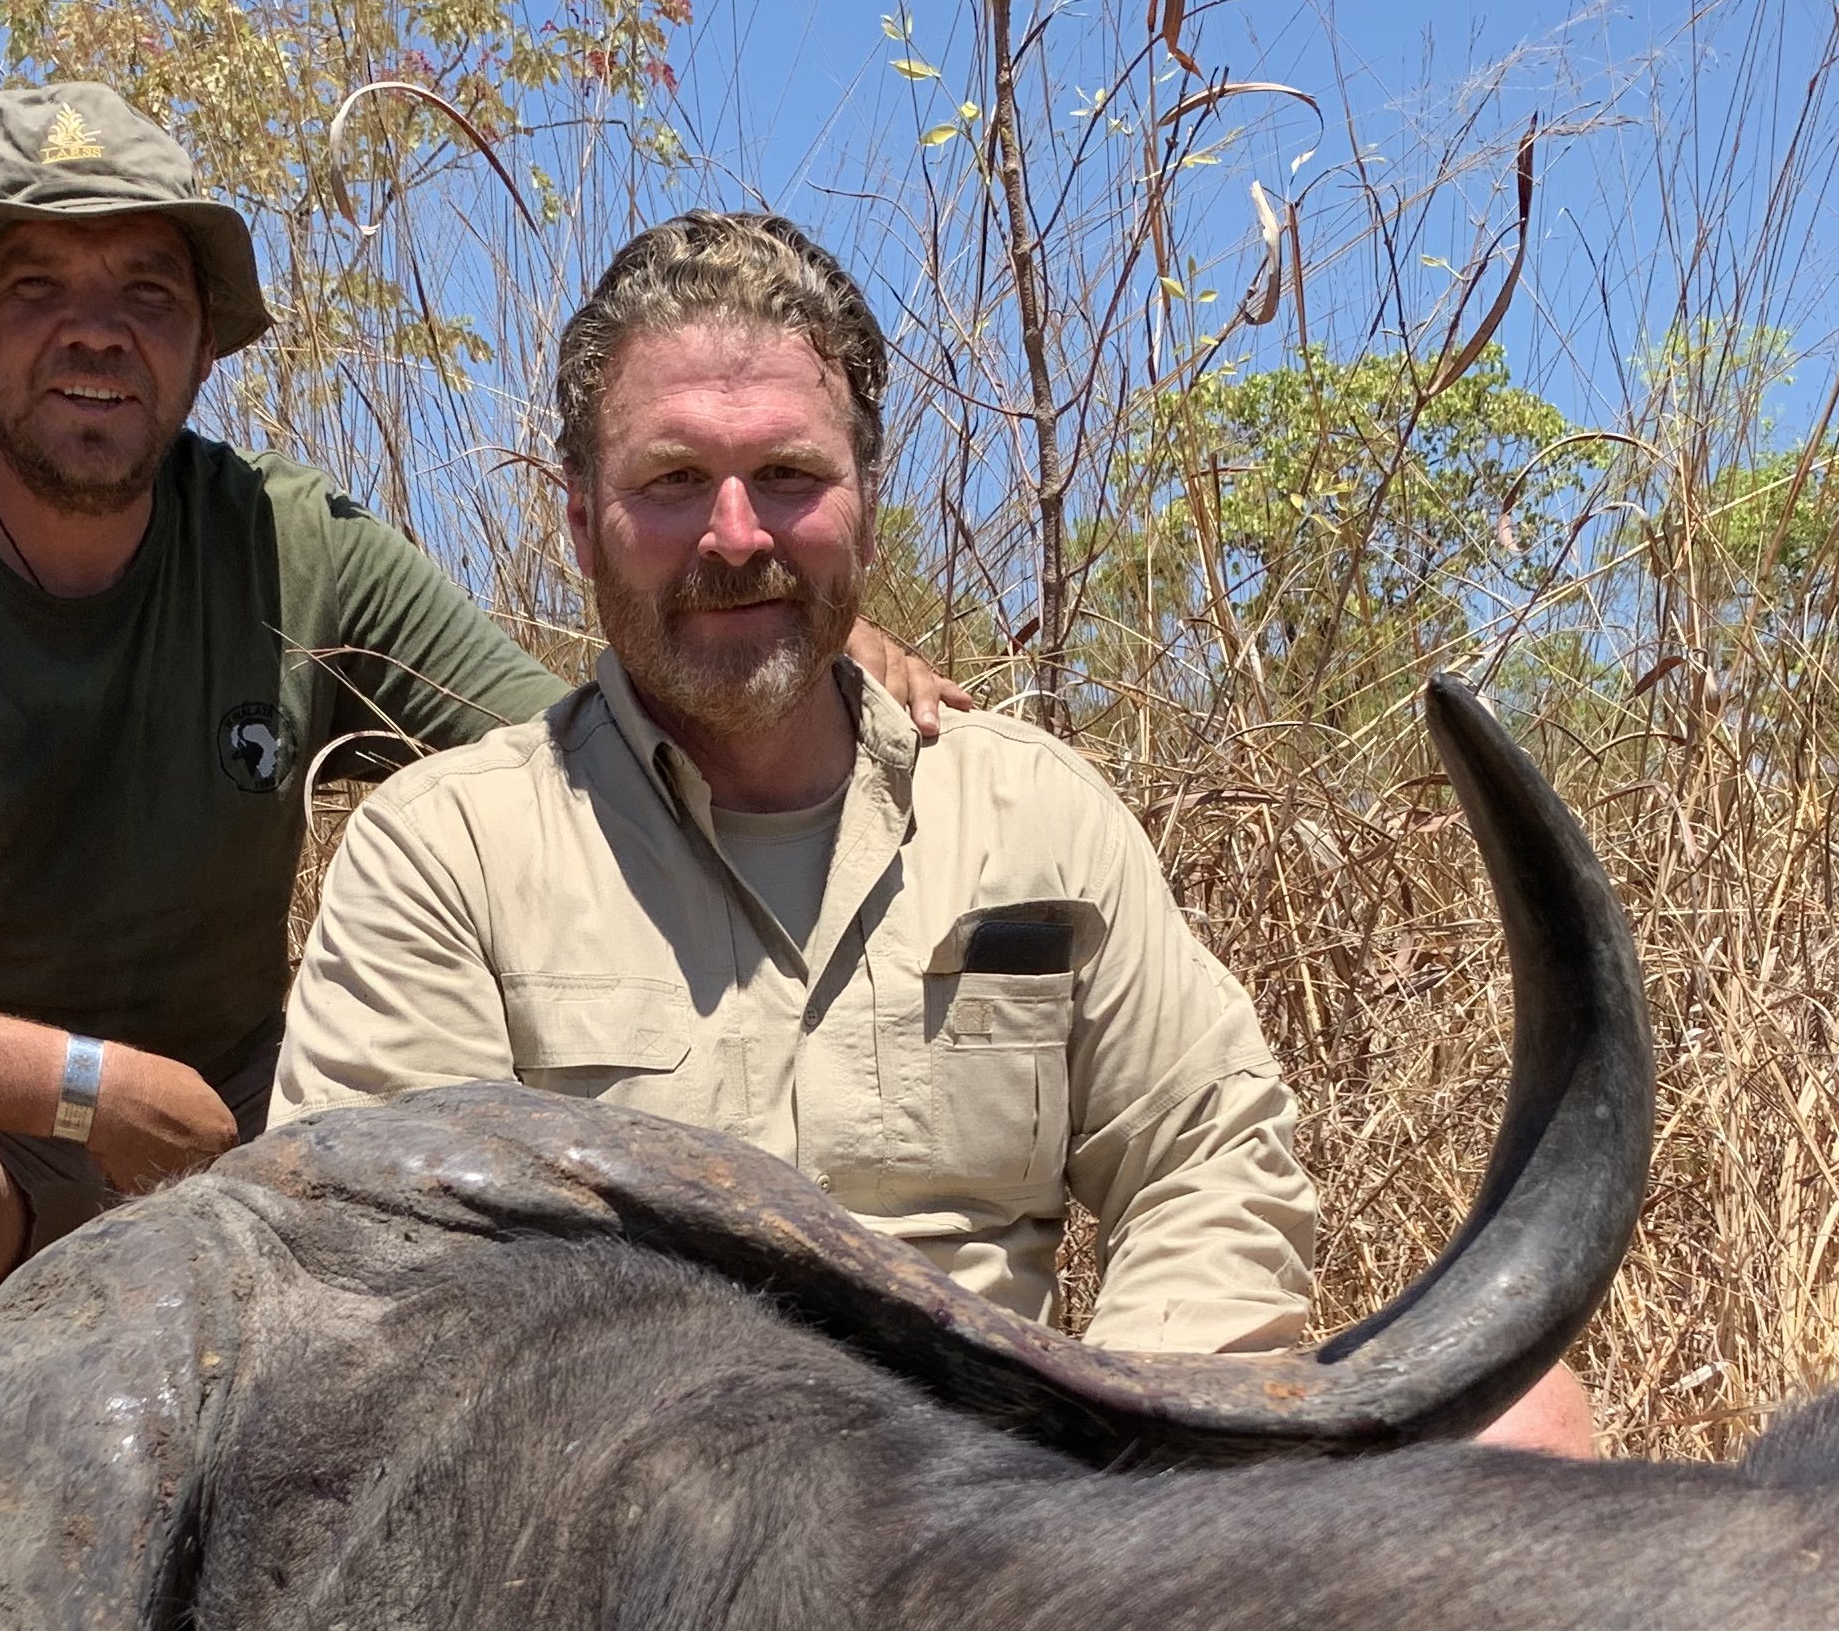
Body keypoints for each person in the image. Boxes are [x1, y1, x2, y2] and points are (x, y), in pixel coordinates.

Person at [0, 89, 963, 1398]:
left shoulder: (296, 546)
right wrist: (84, 1089)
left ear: (205, 347)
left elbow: (580, 757)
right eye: (36, 286)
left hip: (236, 1143)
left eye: (147, 294)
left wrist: (771, 628)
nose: (94, 335)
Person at [272, 212, 1593, 1438]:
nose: (737, 538)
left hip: (1006, 1516)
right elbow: (392, 1281)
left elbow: (1209, 1158)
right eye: (673, 480)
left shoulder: (1033, 816)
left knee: (1535, 1428)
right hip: (628, 1536)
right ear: (579, 521)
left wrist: (1121, 1455)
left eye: (788, 475)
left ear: (864, 499)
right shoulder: (446, 851)